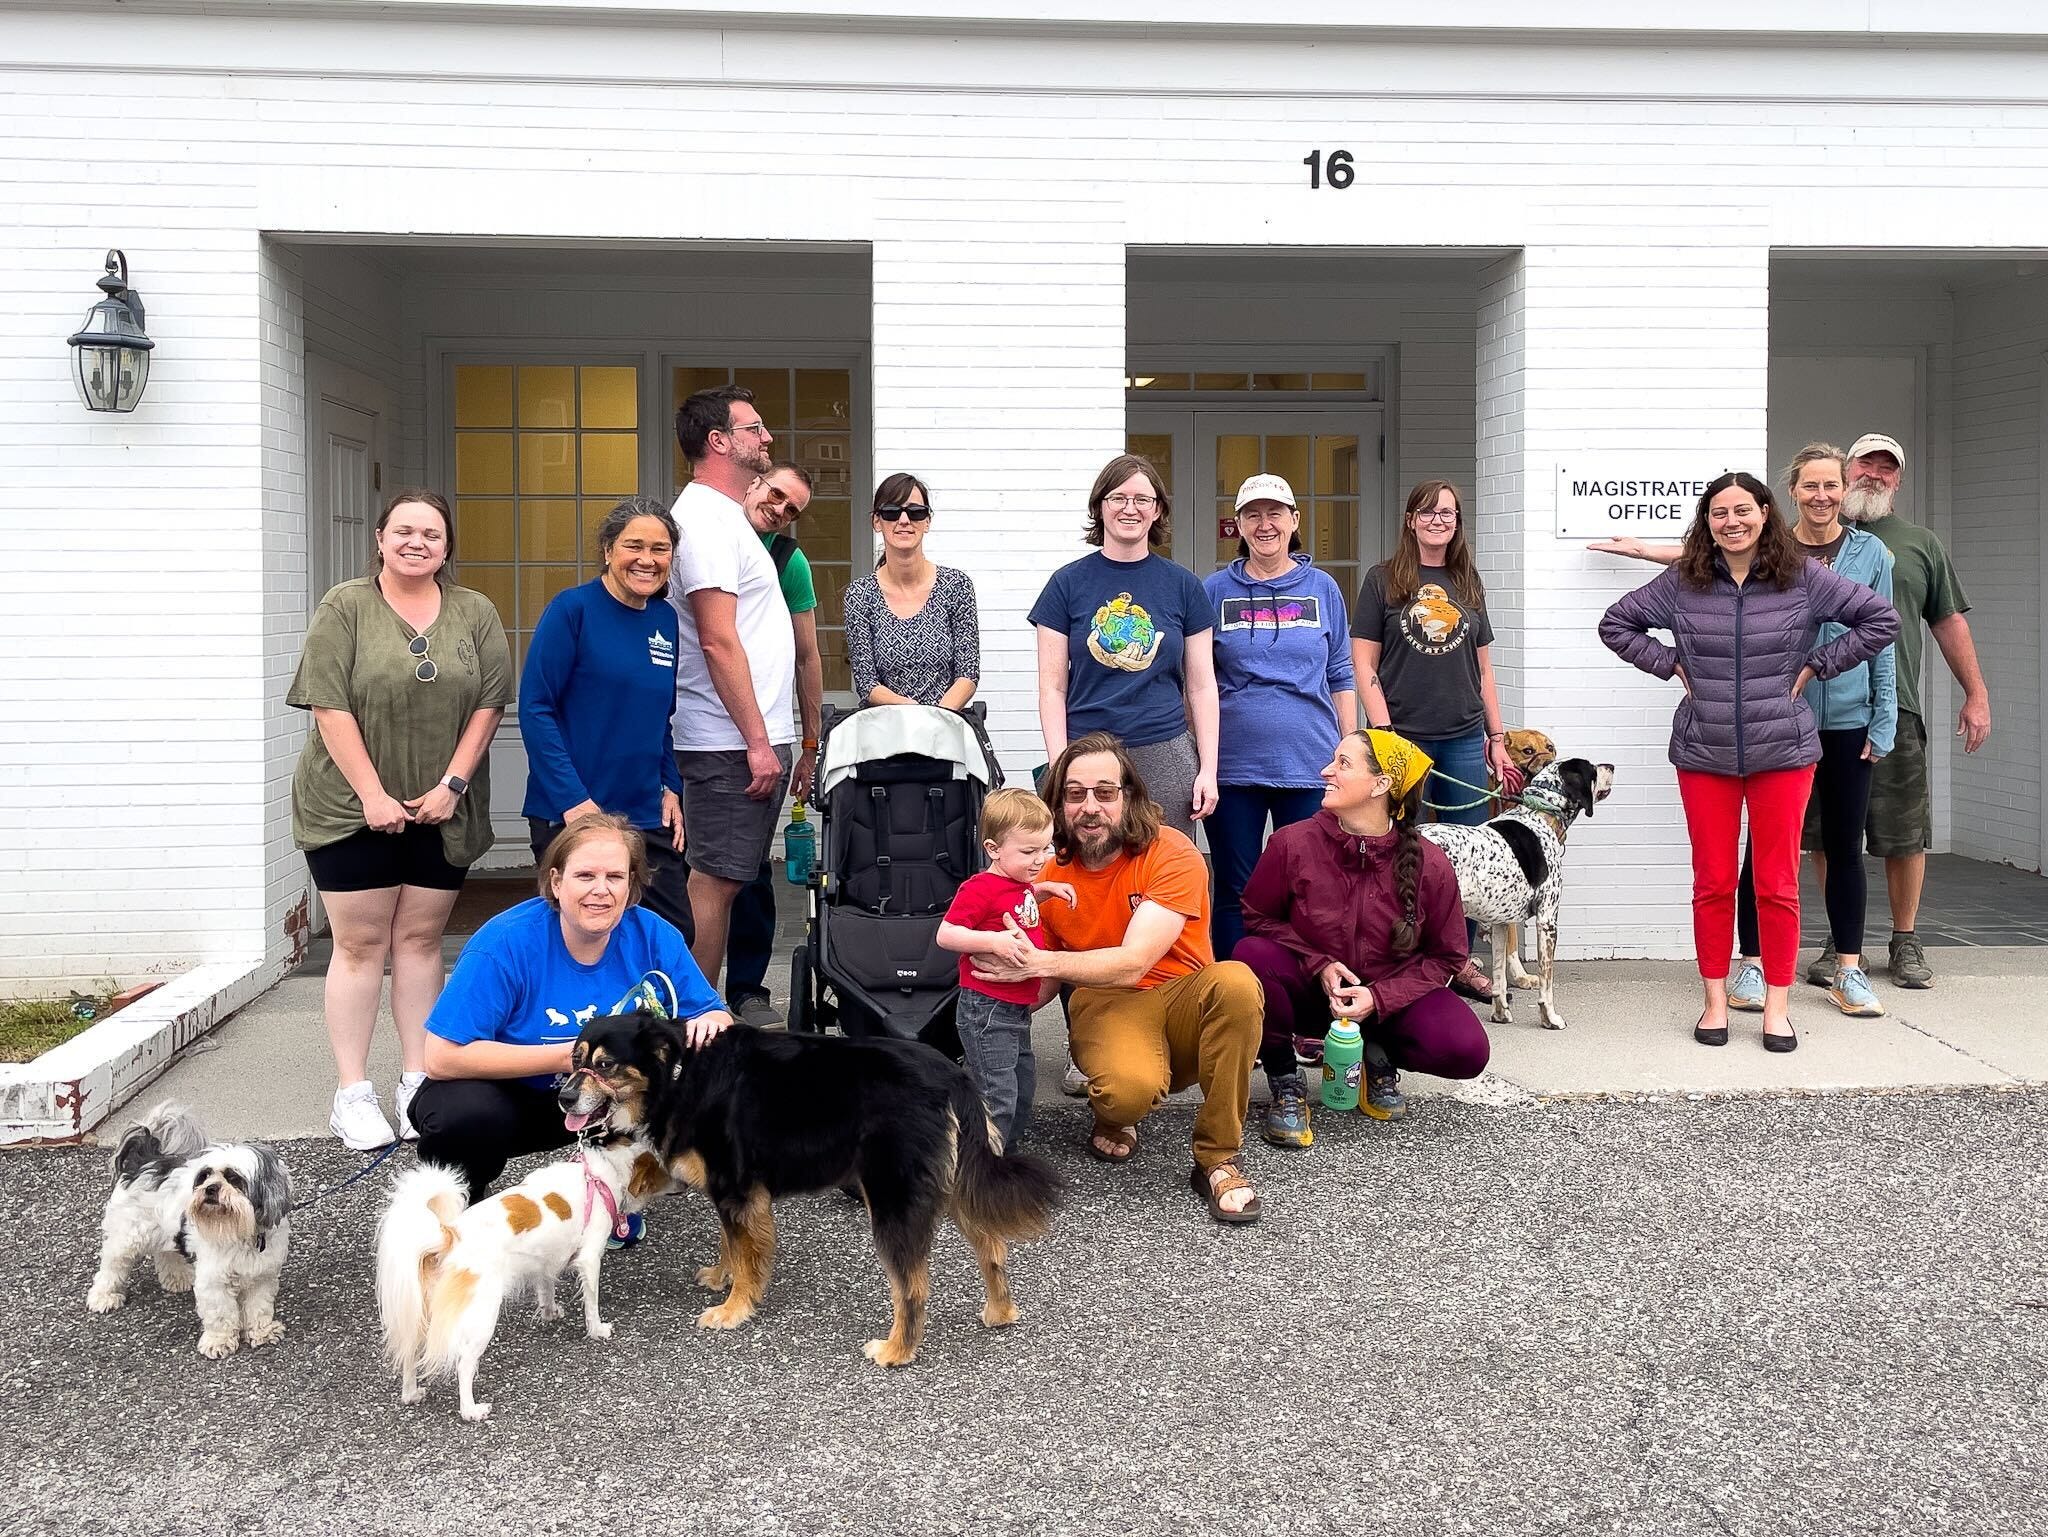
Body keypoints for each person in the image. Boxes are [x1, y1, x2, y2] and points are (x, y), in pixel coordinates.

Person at [1592, 446, 1899, 1017]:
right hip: (1703, 750)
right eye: (1719, 513)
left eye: (1742, 511)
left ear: (1764, 513)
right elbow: (1617, 623)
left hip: (1783, 749)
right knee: (1713, 884)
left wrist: (1818, 664)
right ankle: (1715, 1000)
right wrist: (1669, 663)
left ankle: (1777, 1009)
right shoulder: (1684, 580)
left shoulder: (1802, 577)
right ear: (1707, 522)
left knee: (1777, 885)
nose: (1731, 522)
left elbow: (1881, 619)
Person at [288, 489, 512, 1152]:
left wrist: (452, 785)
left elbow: (490, 705)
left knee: (419, 942)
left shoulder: (475, 611)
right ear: (380, 539)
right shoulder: (345, 606)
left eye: (431, 534)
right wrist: (372, 795)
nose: (417, 543)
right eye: (404, 531)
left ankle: (419, 1082)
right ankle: (352, 1093)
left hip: (441, 809)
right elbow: (328, 705)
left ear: (447, 547)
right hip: (349, 807)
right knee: (360, 945)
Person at [967, 734, 1266, 1225]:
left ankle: (1218, 1158)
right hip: (1105, 1001)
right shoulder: (1045, 873)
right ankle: (1115, 1115)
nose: (1090, 807)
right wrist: (983, 1007)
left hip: (1183, 995)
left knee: (1236, 982)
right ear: (1058, 804)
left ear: (1128, 796)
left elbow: (1133, 961)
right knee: (1127, 1092)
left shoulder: (1171, 850)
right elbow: (1037, 978)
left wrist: (1037, 964)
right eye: (1075, 794)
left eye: (1105, 792)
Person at [409, 815, 729, 1205]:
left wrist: (713, 1021)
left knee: (716, 1073)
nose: (601, 890)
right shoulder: (505, 942)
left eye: (615, 877)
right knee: (460, 1116)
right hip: (520, 1096)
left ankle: (623, 1195)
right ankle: (462, 1202)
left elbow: (712, 1014)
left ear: (631, 885)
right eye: (585, 876)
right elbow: (441, 1057)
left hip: (612, 1097)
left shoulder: (653, 934)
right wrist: (575, 1058)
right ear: (557, 882)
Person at [1234, 730, 1489, 1149]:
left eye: (1343, 764)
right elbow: (1257, 917)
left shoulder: (1430, 862)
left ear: (1381, 784)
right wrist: (1318, 962)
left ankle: (1375, 1053)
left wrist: (1380, 997)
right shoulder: (1291, 843)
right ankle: (1284, 1078)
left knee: (1466, 1050)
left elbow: (1447, 957)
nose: (1326, 771)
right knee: (1250, 955)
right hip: (1313, 995)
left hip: (1388, 1004)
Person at [1350, 479, 1519, 1002]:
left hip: (1464, 737)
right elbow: (1363, 662)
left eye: (1447, 513)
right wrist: (1383, 734)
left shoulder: (1468, 580)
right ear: (1410, 519)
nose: (1438, 520)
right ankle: (1403, 959)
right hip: (1405, 739)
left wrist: (1496, 736)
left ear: (1457, 522)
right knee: (1404, 851)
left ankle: (1457, 960)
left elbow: (1484, 670)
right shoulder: (1382, 580)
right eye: (1427, 511)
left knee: (1469, 856)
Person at [1835, 432, 1990, 990]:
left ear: (1898, 480)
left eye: (1886, 467)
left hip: (1894, 708)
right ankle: (1839, 940)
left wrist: (1976, 693)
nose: (1873, 474)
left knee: (1902, 834)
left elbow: (1947, 620)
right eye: (1865, 464)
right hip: (1821, 711)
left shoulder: (1920, 543)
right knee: (1828, 836)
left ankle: (1905, 939)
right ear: (1845, 470)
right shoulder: (1810, 536)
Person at [668, 386, 798, 999]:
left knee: (725, 883)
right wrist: (757, 742)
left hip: (745, 740)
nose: (766, 437)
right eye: (754, 428)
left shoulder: (726, 518)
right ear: (719, 441)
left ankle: (699, 1020)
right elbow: (717, 640)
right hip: (728, 744)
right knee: (712, 885)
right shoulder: (702, 522)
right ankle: (695, 1027)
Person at [518, 494, 691, 942]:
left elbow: (662, 717)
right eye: (635, 546)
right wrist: (573, 801)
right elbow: (536, 708)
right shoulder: (572, 610)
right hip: (573, 810)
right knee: (582, 936)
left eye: (660, 549)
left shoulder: (664, 619)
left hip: (644, 814)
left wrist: (670, 785)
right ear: (609, 549)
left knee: (671, 934)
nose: (647, 560)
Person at [1202, 472, 1358, 961]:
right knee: (1237, 890)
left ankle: (1305, 991)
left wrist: (1351, 750)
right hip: (1234, 767)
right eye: (1252, 514)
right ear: (1238, 525)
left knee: (1312, 888)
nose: (1264, 524)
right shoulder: (1214, 590)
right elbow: (1198, 678)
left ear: (1294, 520)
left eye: (1275, 513)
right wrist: (1203, 757)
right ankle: (1237, 991)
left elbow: (1340, 670)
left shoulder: (1323, 588)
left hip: (1311, 764)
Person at [1030, 454, 1218, 836]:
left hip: (1164, 751)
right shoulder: (1066, 584)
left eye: (1142, 499)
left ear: (1157, 510)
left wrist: (1208, 770)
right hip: (1085, 752)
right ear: (1100, 506)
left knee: (1164, 863)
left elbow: (1202, 686)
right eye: (1118, 498)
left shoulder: (1184, 585)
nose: (1129, 508)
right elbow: (1052, 688)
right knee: (1089, 863)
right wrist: (1059, 765)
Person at [721, 464, 823, 1028]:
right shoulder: (705, 537)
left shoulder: (788, 560)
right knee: (675, 867)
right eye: (776, 494)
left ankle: (746, 989)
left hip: (764, 737)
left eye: (793, 509)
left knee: (750, 868)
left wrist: (809, 743)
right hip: (691, 732)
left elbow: (808, 656)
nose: (781, 509)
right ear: (754, 484)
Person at [935, 788, 1075, 1148]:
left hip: (1016, 1007)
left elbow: (1014, 904)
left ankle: (1005, 1150)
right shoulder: (980, 888)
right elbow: (946, 934)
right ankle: (981, 1163)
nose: (1039, 859)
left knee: (1022, 1085)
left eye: (1044, 848)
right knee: (996, 1093)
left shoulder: (1018, 883)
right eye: (1028, 852)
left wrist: (1043, 890)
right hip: (987, 1008)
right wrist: (993, 942)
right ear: (993, 849)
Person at [843, 472, 981, 708]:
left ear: (927, 522)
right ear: (876, 521)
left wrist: (937, 716)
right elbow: (867, 683)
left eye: (916, 512)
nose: (904, 520)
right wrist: (912, 714)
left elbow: (968, 672)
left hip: (946, 721)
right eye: (891, 512)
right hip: (885, 723)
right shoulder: (860, 594)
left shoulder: (956, 585)